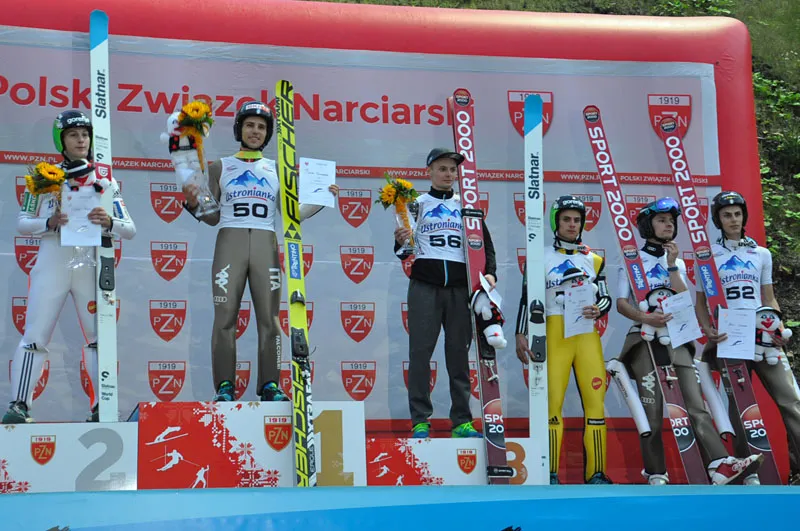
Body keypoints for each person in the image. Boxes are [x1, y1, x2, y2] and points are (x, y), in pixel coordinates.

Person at [179, 101, 337, 403]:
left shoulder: (278, 168)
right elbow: (212, 217)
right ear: (239, 129)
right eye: (250, 125)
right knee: (225, 316)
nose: (255, 131)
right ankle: (225, 386)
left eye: (262, 127)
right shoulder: (220, 166)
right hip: (230, 242)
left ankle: (270, 385)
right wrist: (194, 203)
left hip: (265, 243)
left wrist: (321, 198)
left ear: (268, 134)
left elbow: (292, 214)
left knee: (270, 318)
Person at [615, 197, 762, 485]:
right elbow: (621, 303)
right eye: (661, 220)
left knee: (696, 403)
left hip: (677, 337)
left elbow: (684, 300)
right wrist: (646, 317)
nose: (669, 225)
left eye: (672, 221)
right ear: (647, 226)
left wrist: (672, 266)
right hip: (644, 338)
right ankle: (656, 472)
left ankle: (719, 465)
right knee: (653, 409)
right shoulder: (632, 260)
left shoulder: (679, 262)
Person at [3, 110, 136, 424]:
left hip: (89, 264)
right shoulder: (43, 177)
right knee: (35, 335)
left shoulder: (104, 180)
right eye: (73, 135)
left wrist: (109, 221)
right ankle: (20, 405)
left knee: (98, 337)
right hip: (53, 261)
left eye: (85, 134)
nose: (81, 140)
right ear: (60, 140)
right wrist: (48, 223)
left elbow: (129, 229)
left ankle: (103, 406)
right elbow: (22, 222)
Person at [695, 190, 800, 485]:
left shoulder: (761, 253)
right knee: (739, 405)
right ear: (718, 219)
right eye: (726, 215)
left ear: (744, 217)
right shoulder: (707, 257)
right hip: (731, 336)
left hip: (763, 335)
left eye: (738, 214)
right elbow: (700, 303)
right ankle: (747, 471)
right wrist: (707, 329)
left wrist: (778, 327)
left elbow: (769, 298)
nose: (733, 219)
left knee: (791, 400)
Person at [394, 147, 497, 439]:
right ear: (429, 172)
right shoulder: (416, 204)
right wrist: (400, 240)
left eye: (453, 170)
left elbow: (485, 244)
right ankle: (420, 421)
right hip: (425, 287)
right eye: (442, 169)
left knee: (458, 356)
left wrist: (491, 273)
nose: (449, 174)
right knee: (420, 354)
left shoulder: (466, 205)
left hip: (459, 289)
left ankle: (462, 421)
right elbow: (404, 250)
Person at [514, 195, 613, 485]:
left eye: (577, 220)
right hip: (555, 330)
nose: (572, 225)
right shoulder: (539, 256)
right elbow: (526, 298)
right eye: (566, 219)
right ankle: (549, 473)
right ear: (555, 222)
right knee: (552, 405)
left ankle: (596, 473)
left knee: (595, 404)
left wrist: (599, 308)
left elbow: (606, 297)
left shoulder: (594, 259)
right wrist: (520, 332)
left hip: (586, 334)